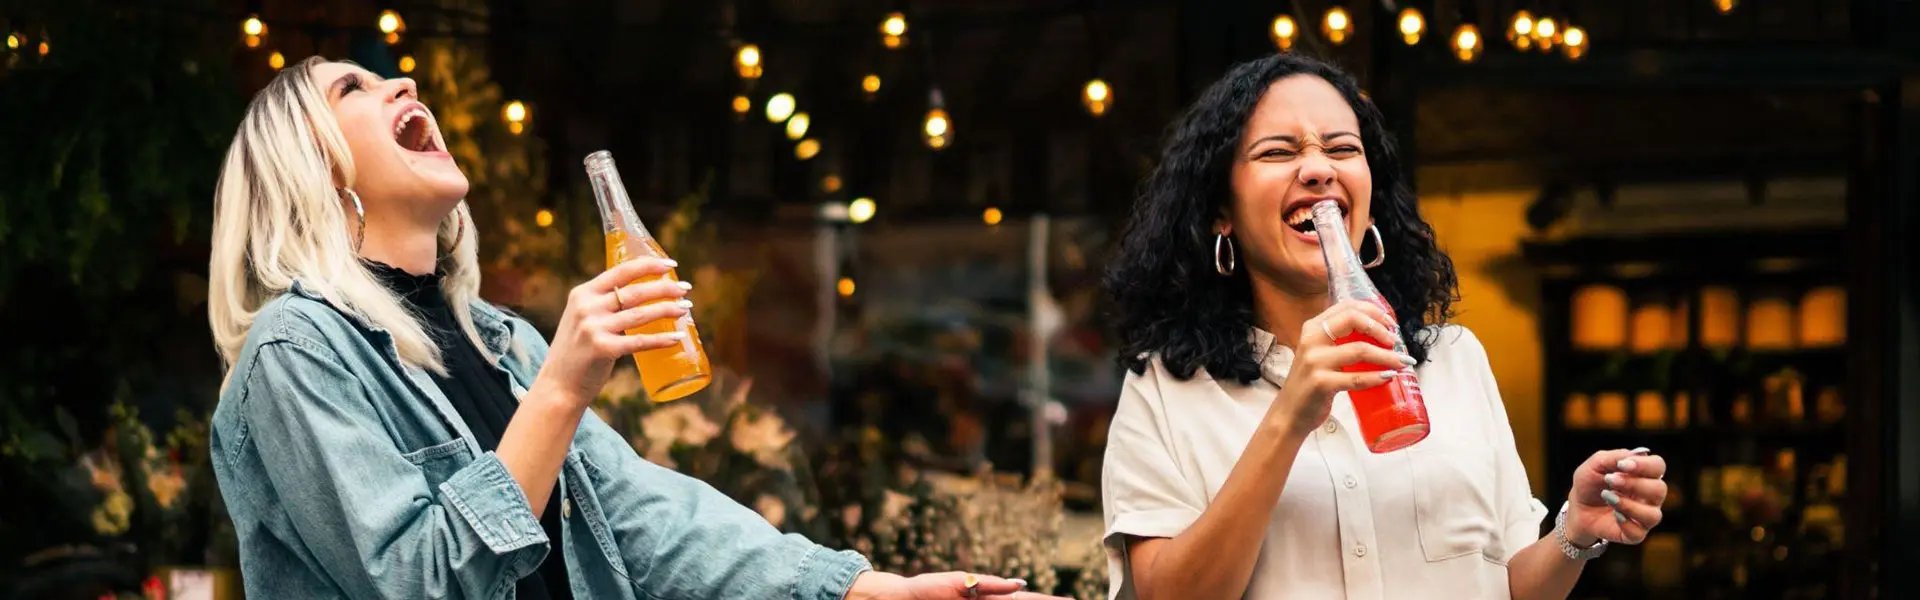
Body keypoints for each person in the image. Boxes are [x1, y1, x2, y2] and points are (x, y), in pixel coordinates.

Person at [205, 56, 1060, 600]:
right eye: (352, 87)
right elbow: (418, 581)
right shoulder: (296, 351)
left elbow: (646, 521)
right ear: (309, 164)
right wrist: (564, 389)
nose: (404, 83)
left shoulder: (499, 341)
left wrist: (863, 589)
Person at [1097, 53, 1669, 600]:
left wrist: (1574, 533)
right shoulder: (1166, 391)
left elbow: (1513, 586)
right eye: (1277, 152)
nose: (1319, 168)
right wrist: (1288, 420)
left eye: (1343, 148)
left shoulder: (1454, 361)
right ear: (1221, 209)